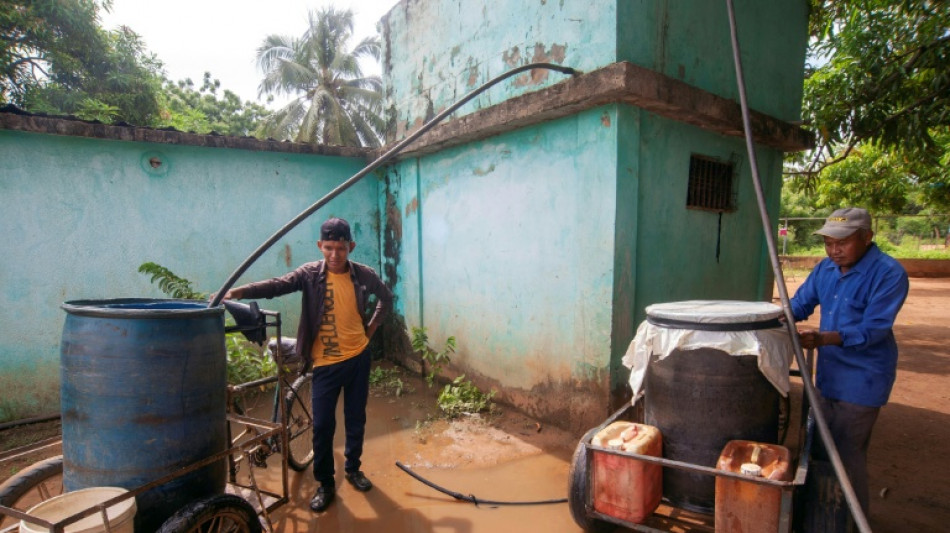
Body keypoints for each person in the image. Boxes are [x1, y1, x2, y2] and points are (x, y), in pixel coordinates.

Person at [220, 217, 393, 513]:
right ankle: (325, 483)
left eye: (341, 248)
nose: (335, 255)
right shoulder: (310, 274)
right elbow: (277, 285)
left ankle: (353, 469)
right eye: (329, 248)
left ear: (350, 247)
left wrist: (371, 330)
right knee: (323, 426)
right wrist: (239, 292)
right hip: (324, 364)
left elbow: (386, 299)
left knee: (355, 419)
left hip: (358, 359)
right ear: (320, 246)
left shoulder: (364, 275)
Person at [789, 207, 909, 515]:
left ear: (867, 237)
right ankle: (818, 513)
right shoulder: (826, 269)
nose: (834, 250)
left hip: (862, 380)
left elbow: (875, 328)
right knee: (816, 448)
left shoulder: (888, 273)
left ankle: (850, 518)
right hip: (827, 377)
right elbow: (800, 304)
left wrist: (825, 338)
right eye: (828, 243)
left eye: (842, 242)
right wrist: (765, 318)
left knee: (846, 451)